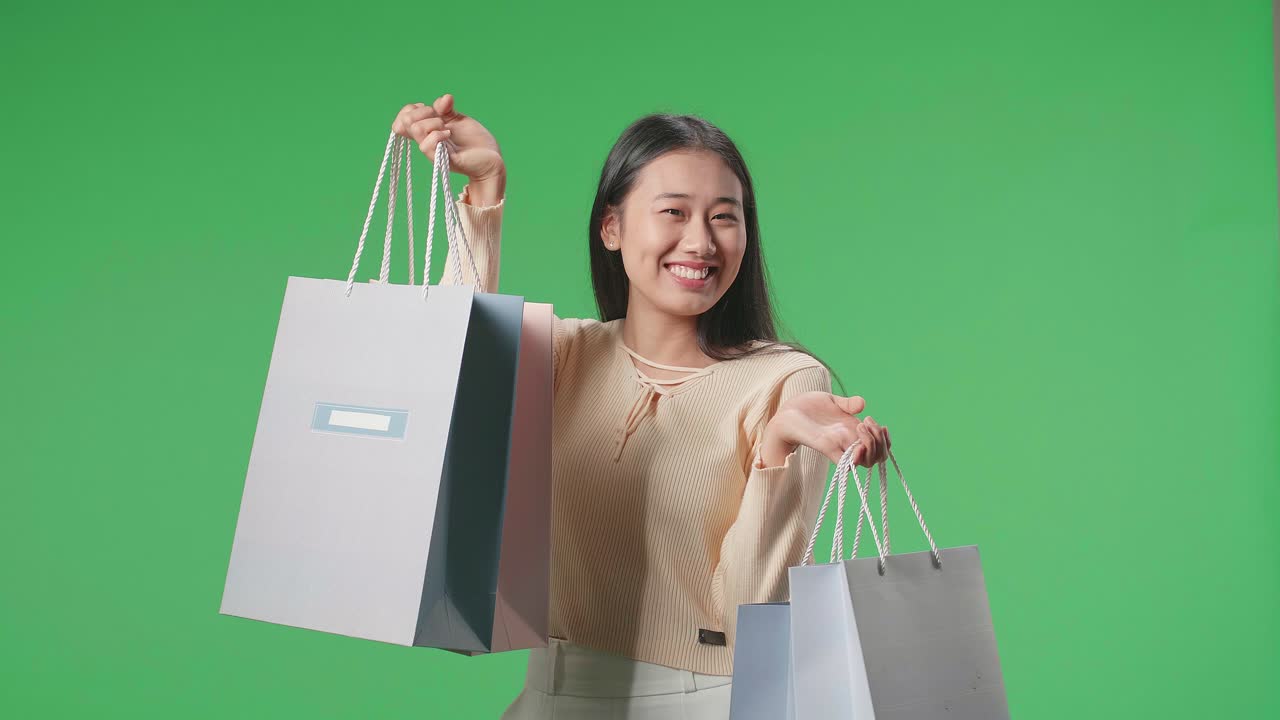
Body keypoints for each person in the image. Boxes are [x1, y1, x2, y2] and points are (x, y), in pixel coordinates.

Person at [391, 94, 891, 719]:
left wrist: (775, 452)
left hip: (707, 702)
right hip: (554, 696)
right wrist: (486, 192)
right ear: (613, 227)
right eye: (674, 212)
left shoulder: (785, 381)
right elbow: (447, 386)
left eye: (724, 217)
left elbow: (752, 621)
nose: (700, 242)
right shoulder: (564, 354)